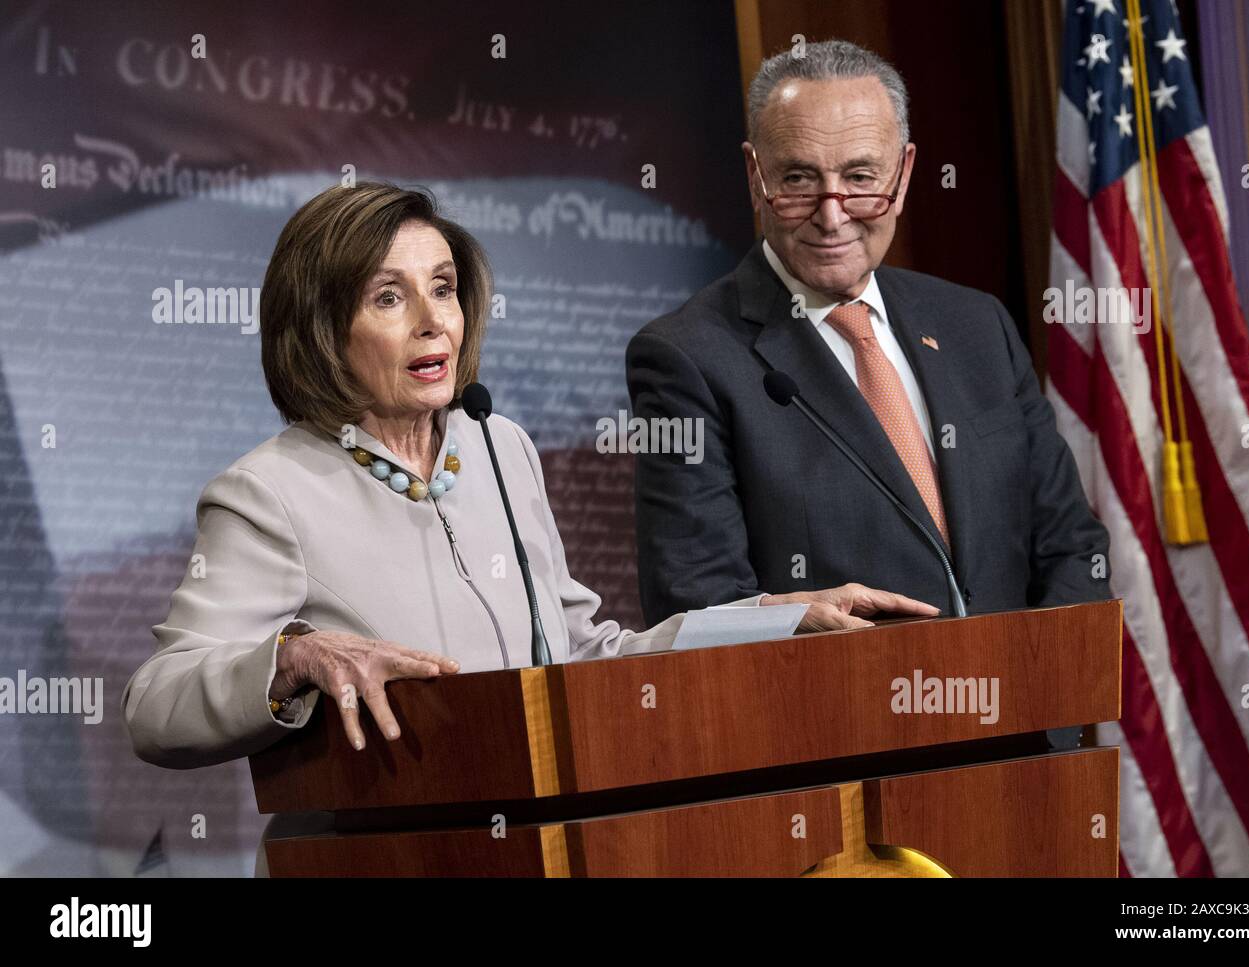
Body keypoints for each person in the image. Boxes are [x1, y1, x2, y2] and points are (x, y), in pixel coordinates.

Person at [122, 181, 938, 772]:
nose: (434, 318)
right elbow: (156, 704)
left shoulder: (495, 445)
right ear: (322, 328)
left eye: (443, 288)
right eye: (387, 297)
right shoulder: (271, 493)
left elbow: (582, 655)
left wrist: (769, 619)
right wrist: (293, 658)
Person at [627, 39, 1111, 626]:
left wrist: (1039, 698)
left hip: (1020, 711)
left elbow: (1072, 547)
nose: (832, 215)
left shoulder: (977, 325)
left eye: (859, 177)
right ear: (756, 178)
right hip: (843, 713)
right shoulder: (686, 358)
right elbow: (694, 601)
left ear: (904, 174)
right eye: (800, 180)